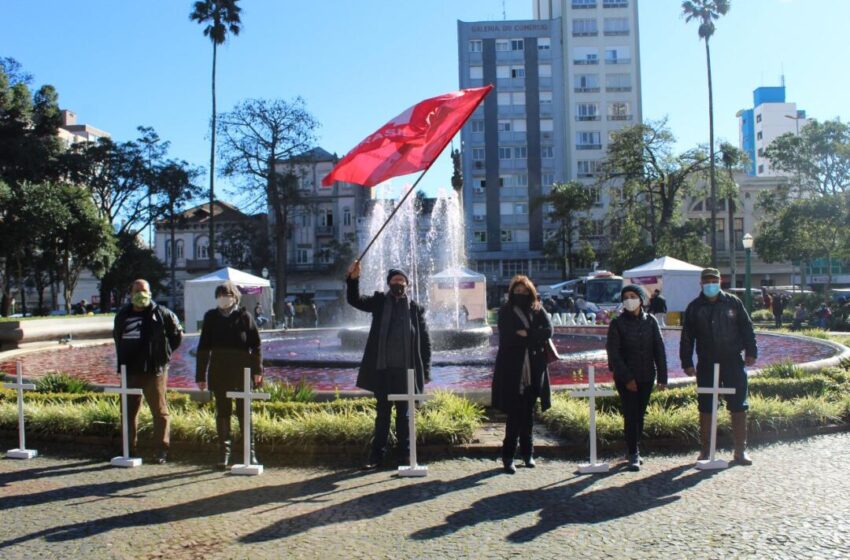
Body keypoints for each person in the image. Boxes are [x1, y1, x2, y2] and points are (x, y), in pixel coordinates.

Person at [346, 261, 431, 469]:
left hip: (406, 371)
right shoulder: (379, 302)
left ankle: (405, 456)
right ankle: (377, 456)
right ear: (388, 283)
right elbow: (354, 299)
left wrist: (426, 370)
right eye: (394, 280)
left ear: (407, 285)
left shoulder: (415, 309)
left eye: (402, 281)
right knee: (382, 415)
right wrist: (353, 279)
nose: (398, 283)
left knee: (404, 415)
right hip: (382, 370)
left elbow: (425, 342)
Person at [680, 268, 757, 466]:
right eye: (706, 281)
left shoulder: (733, 302)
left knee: (739, 404)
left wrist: (751, 352)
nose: (710, 284)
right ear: (701, 283)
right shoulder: (694, 307)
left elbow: (747, 327)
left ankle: (740, 450)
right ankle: (706, 450)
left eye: (714, 280)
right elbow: (687, 337)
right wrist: (686, 362)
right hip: (706, 362)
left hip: (733, 360)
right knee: (706, 406)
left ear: (720, 281)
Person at [113, 279, 183, 464]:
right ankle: (128, 448)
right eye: (136, 291)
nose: (140, 294)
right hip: (130, 370)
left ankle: (161, 449)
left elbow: (177, 336)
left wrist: (163, 356)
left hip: (154, 370)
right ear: (130, 294)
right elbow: (117, 338)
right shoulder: (122, 315)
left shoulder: (162, 313)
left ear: (150, 293)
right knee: (127, 412)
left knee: (159, 411)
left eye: (143, 291)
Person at [196, 281, 263, 470]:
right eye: (220, 294)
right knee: (223, 412)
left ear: (234, 296)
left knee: (244, 413)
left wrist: (258, 370)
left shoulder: (244, 317)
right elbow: (203, 348)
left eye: (226, 294)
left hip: (242, 372)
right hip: (219, 372)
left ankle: (250, 453)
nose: (223, 298)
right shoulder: (210, 317)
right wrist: (200, 375)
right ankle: (224, 453)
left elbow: (256, 345)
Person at [491, 275, 553, 474]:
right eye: (517, 292)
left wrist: (527, 334)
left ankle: (528, 454)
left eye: (524, 292)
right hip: (513, 370)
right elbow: (507, 337)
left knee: (528, 414)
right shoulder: (506, 311)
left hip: (534, 368)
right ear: (512, 293)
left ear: (531, 292)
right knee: (515, 414)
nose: (521, 295)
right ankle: (508, 456)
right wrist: (533, 335)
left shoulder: (537, 308)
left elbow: (549, 330)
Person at [606, 285, 668, 471]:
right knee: (631, 414)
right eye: (625, 297)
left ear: (641, 299)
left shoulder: (650, 322)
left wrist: (663, 377)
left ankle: (634, 447)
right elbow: (613, 353)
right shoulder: (617, 323)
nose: (629, 300)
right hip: (626, 378)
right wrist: (627, 378)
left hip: (647, 376)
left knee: (640, 415)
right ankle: (633, 452)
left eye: (633, 296)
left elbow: (659, 349)